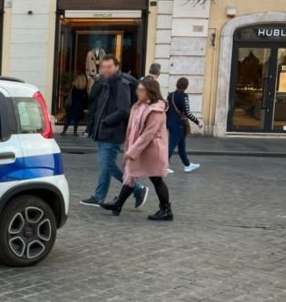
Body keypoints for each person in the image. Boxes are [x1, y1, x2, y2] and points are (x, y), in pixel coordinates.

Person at [100, 79, 173, 221]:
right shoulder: (139, 107)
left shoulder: (156, 111)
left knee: (156, 179)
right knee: (131, 174)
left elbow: (148, 134)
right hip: (142, 149)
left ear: (150, 92)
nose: (138, 93)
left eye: (141, 90)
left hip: (152, 151)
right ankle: (118, 204)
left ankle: (166, 210)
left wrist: (132, 151)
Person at [80, 55, 147, 207]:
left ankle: (137, 188)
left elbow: (123, 110)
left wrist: (106, 121)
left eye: (109, 67)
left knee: (107, 164)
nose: (106, 70)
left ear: (117, 66)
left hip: (112, 131)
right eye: (103, 67)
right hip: (103, 130)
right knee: (105, 165)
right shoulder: (106, 82)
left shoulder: (121, 84)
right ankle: (99, 196)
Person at [167, 77, 202, 174]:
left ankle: (187, 165)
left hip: (170, 123)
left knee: (181, 145)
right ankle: (163, 165)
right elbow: (187, 112)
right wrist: (198, 122)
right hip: (178, 124)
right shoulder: (184, 96)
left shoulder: (170, 95)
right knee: (172, 145)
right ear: (186, 86)